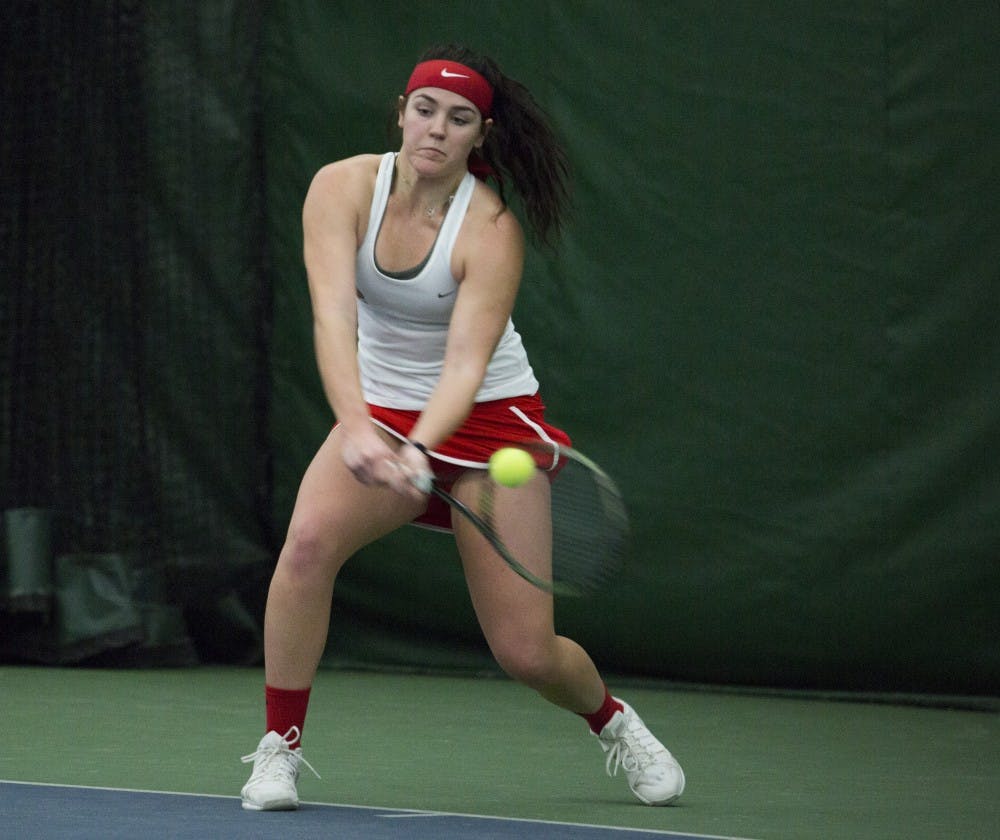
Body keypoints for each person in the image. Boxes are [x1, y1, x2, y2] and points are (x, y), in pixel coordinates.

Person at [240, 44, 685, 810]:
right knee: (307, 547)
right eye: (424, 109)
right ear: (401, 112)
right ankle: (279, 750)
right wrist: (357, 427)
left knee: (526, 653)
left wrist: (420, 450)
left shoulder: (492, 227)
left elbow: (464, 367)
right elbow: (332, 315)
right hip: (377, 409)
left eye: (458, 118)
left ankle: (612, 722)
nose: (436, 129)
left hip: (489, 433)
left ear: (480, 135)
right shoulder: (341, 188)